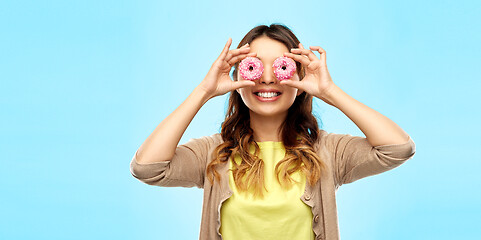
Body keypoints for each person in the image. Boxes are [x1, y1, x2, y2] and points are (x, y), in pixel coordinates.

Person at [129, 24, 416, 240]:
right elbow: (147, 168)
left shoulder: (328, 152)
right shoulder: (213, 154)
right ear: (237, 77)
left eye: (280, 67)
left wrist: (330, 91)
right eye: (254, 66)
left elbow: (397, 148)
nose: (266, 78)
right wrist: (203, 92)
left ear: (301, 77)